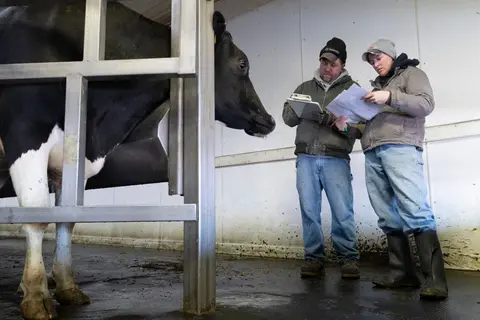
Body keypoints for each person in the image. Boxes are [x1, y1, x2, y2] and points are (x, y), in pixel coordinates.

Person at [356, 38, 448, 300]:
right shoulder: (376, 88)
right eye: (371, 60)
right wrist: (349, 127)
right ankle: (402, 274)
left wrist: (390, 96)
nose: (374, 63)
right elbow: (369, 125)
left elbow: (425, 104)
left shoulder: (412, 74)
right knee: (386, 215)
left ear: (391, 55)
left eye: (378, 58)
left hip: (401, 147)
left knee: (415, 209)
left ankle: (435, 280)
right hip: (373, 150)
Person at [282, 37, 363, 280]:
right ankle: (313, 258)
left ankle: (348, 258)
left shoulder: (353, 90)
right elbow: (287, 118)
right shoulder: (304, 87)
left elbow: (362, 129)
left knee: (342, 211)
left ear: (343, 65)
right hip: (306, 157)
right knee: (309, 209)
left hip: (335, 158)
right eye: (324, 62)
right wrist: (297, 109)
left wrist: (344, 127)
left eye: (333, 64)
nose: (327, 68)